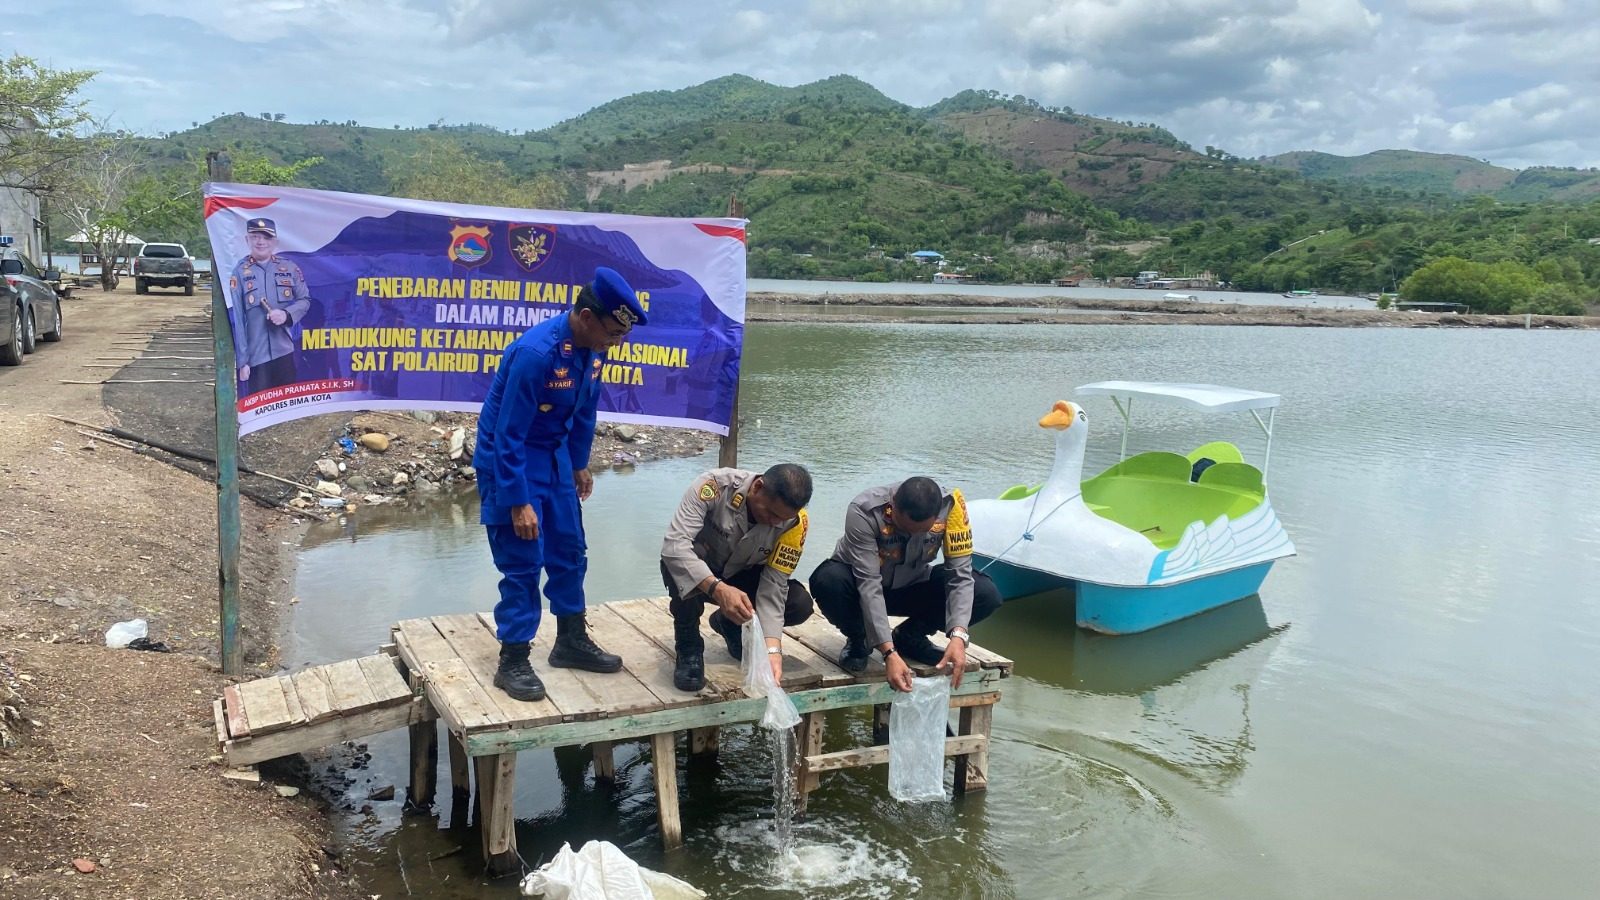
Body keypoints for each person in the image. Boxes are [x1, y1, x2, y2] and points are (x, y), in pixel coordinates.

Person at [474, 266, 646, 701]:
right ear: (587, 318)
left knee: (569, 549)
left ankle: (570, 641)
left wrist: (578, 463)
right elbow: (507, 433)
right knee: (523, 561)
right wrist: (517, 501)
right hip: (511, 461)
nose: (616, 341)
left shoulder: (592, 349)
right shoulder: (536, 354)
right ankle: (512, 659)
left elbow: (584, 411)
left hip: (554, 458)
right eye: (612, 331)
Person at [809, 477, 1003, 692]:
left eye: (921, 532)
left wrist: (958, 635)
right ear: (893, 507)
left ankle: (910, 635)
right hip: (863, 589)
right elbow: (869, 582)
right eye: (905, 528)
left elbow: (960, 576)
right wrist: (888, 653)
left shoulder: (952, 507)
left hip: (912, 585)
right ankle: (859, 638)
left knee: (984, 592)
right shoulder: (864, 510)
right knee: (828, 580)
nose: (912, 536)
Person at [660, 464, 815, 692]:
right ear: (758, 487)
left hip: (742, 575)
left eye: (782, 519)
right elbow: (674, 546)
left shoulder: (795, 522)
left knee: (798, 603)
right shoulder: (713, 486)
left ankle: (729, 623)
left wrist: (773, 651)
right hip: (704, 573)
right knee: (678, 562)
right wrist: (719, 589)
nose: (774, 523)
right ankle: (689, 647)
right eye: (771, 513)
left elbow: (775, 584)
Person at [228, 218, 311, 394]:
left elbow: (305, 300)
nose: (260, 241)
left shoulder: (289, 268)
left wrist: (286, 314)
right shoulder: (240, 272)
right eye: (255, 236)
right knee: (258, 410)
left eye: (266, 237)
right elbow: (239, 320)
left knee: (286, 406)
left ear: (275, 242)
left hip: (285, 353)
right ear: (247, 240)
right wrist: (243, 361)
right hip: (256, 358)